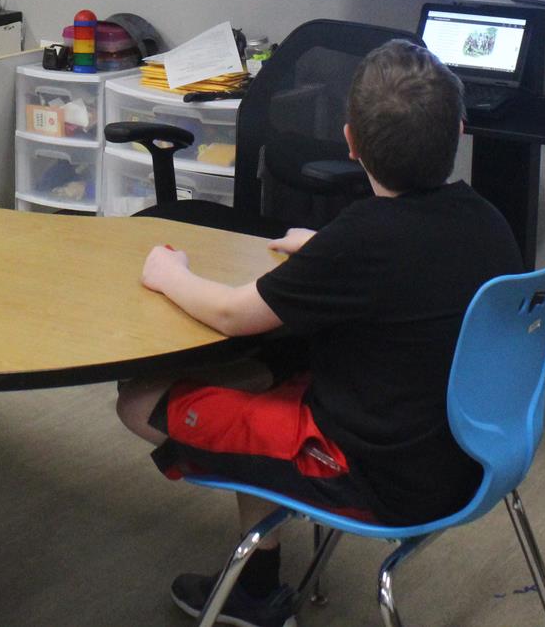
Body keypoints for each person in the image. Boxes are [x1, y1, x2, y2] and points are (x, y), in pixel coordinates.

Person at [115, 40, 521, 627]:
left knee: (140, 397)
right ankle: (254, 583)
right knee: (255, 381)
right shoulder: (483, 218)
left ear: (350, 141)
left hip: (377, 476)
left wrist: (169, 274)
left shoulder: (363, 240)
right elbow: (405, 274)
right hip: (473, 455)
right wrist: (324, 252)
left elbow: (232, 313)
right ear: (459, 131)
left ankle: (254, 592)